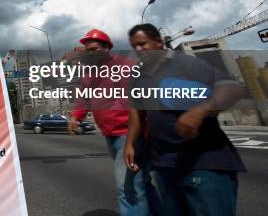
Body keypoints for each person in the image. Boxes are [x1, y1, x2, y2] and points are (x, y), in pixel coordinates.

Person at [124, 23, 246, 216]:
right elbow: (137, 113)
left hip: (203, 163)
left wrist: (201, 110)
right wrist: (130, 144)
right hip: (165, 166)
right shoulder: (139, 77)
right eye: (134, 47)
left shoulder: (185, 63)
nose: (138, 50)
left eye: (142, 44)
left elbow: (231, 87)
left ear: (158, 42)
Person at [69, 29, 159, 216]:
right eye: (88, 50)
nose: (90, 53)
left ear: (107, 48)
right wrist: (75, 117)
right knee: (141, 184)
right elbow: (84, 98)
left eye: (94, 49)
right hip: (111, 135)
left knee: (129, 189)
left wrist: (140, 137)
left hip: (130, 135)